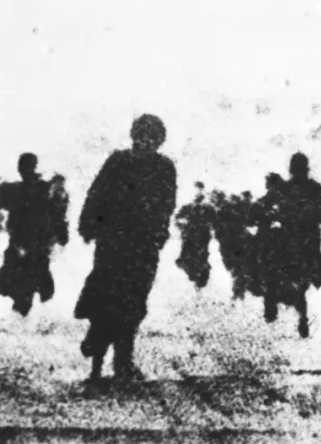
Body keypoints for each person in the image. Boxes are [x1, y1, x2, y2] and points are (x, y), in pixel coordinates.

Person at [76, 114, 177, 382]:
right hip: (114, 241)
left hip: (143, 245)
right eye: (142, 137)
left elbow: (167, 204)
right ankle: (98, 350)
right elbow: (97, 193)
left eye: (152, 138)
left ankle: (122, 361)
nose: (146, 142)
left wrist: (159, 234)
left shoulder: (165, 167)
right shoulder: (118, 161)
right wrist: (88, 224)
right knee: (107, 295)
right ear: (134, 137)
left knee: (134, 302)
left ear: (159, 141)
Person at [259, 154, 321, 338]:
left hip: (288, 241)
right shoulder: (315, 189)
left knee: (269, 264)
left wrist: (273, 216)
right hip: (306, 242)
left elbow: (261, 207)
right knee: (307, 274)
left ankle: (271, 301)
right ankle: (293, 309)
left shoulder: (282, 189)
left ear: (291, 170)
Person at [0, 154, 69, 316]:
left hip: (32, 248)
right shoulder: (18, 190)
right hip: (27, 247)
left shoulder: (25, 190)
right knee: (24, 288)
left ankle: (21, 315)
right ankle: (21, 314)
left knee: (26, 289)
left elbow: (58, 214)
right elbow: (59, 215)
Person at [175, 182, 215, 290]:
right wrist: (182, 225)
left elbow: (214, 221)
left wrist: (210, 227)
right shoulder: (187, 207)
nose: (198, 194)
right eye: (196, 191)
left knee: (201, 257)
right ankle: (193, 275)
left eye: (200, 191)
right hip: (189, 236)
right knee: (186, 257)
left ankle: (200, 280)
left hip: (203, 236)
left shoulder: (208, 208)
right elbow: (177, 219)